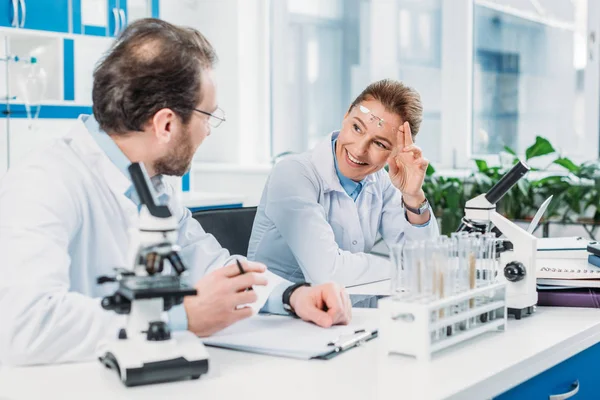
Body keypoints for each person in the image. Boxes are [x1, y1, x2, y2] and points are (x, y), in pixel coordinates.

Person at [0, 18, 351, 366]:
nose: (209, 132)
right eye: (207, 117)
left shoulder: (151, 180)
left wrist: (292, 295)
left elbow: (209, 265)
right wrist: (178, 319)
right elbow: (27, 324)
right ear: (166, 124)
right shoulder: (46, 180)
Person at [248, 79, 439, 287]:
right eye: (357, 128)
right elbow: (328, 273)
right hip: (282, 315)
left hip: (348, 314)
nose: (358, 150)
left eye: (379, 143)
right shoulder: (293, 174)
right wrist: (405, 268)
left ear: (398, 152)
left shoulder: (381, 182)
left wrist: (413, 196)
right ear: (347, 113)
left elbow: (427, 262)